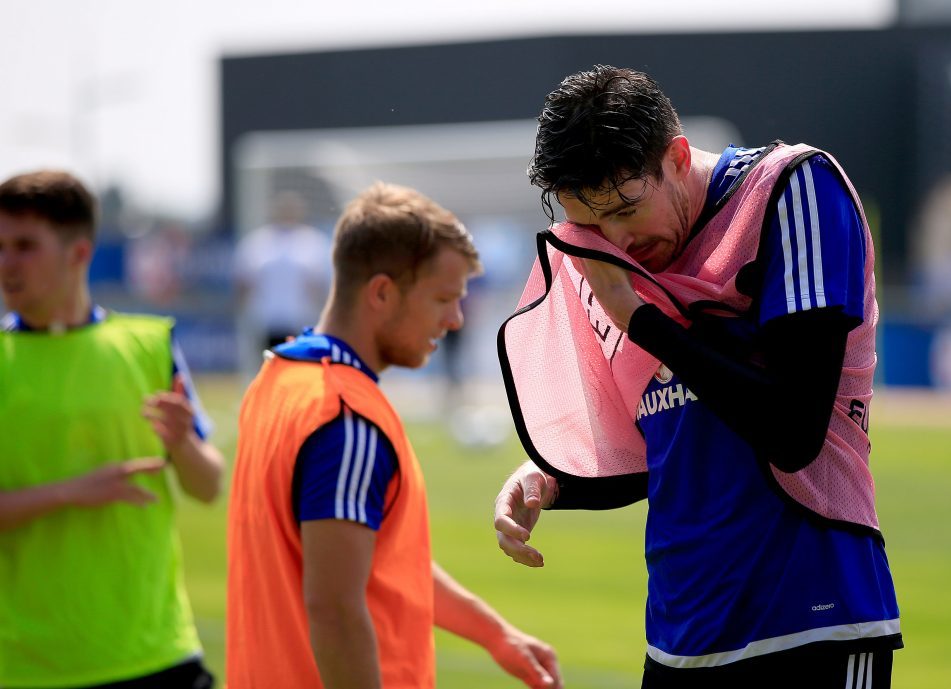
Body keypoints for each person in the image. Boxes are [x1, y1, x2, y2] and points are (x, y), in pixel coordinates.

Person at [494, 66, 902, 688]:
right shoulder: (603, 253)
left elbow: (792, 431)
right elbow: (670, 447)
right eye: (592, 223)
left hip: (814, 615)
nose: (618, 241)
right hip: (682, 634)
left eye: (627, 209)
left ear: (677, 157)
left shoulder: (793, 189)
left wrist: (642, 321)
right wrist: (552, 482)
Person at [226, 182, 562, 689]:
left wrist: (492, 633)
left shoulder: (278, 378)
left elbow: (371, 558)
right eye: (443, 299)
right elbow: (335, 610)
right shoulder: (346, 418)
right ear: (382, 292)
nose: (454, 320)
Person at [0, 170, 224, 688]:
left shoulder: (150, 345)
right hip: (33, 669)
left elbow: (208, 485)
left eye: (25, 246)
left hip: (159, 653)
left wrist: (184, 444)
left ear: (78, 252)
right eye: (1, 246)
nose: (7, 263)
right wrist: (70, 493)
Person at [234, 190, 332, 359]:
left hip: (302, 320)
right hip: (267, 320)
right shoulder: (258, 241)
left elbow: (321, 284)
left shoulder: (313, 242)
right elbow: (244, 282)